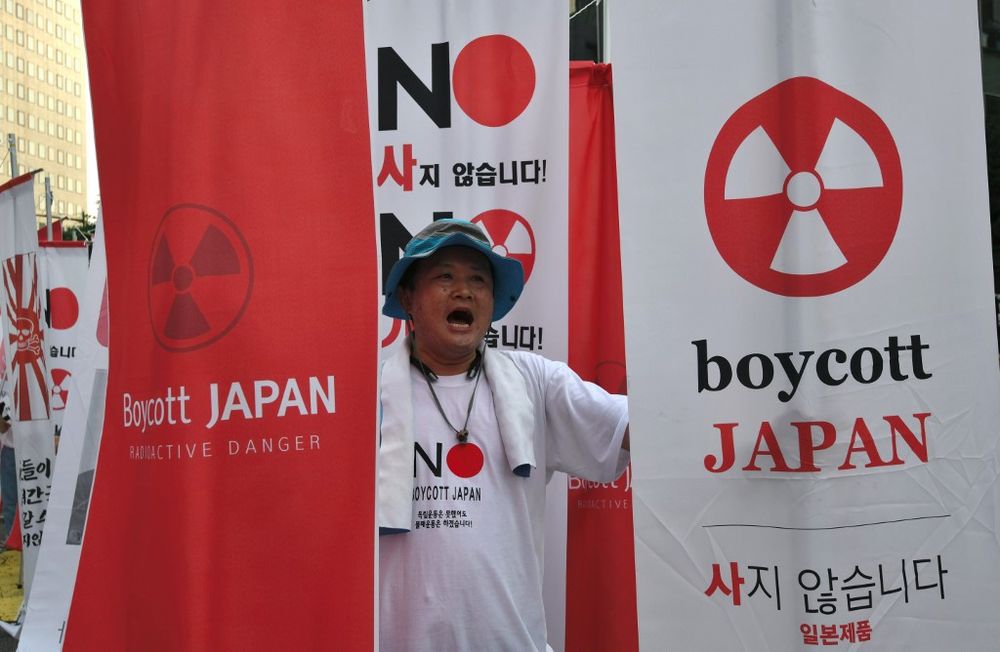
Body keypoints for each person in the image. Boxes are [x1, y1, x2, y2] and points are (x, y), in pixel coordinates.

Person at [377, 219, 629, 651]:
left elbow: (633, 427)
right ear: (407, 297)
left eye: (479, 279)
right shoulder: (368, 396)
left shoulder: (534, 381)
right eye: (444, 276)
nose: (464, 291)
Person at [0, 395, 15, 546]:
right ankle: (11, 542)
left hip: (36, 452)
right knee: (10, 501)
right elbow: (3, 426)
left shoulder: (41, 393)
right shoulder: (7, 398)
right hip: (11, 452)